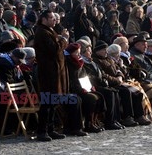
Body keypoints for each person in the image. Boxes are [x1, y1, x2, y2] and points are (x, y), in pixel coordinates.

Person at [34, 10, 85, 141]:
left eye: (54, 18)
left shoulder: (50, 31)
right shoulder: (42, 32)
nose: (54, 20)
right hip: (48, 74)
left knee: (53, 103)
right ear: (44, 19)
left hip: (55, 73)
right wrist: (63, 39)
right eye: (51, 18)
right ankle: (42, 131)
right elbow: (54, 49)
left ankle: (50, 129)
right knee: (46, 103)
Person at [65, 42, 105, 133]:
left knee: (97, 96)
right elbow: (72, 79)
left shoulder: (80, 63)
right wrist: (80, 88)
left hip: (83, 87)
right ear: (70, 54)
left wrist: (89, 86)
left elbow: (84, 76)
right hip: (73, 89)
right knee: (90, 98)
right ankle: (82, 126)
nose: (78, 55)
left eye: (79, 52)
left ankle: (91, 122)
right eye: (76, 53)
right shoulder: (68, 63)